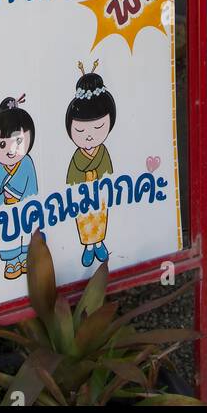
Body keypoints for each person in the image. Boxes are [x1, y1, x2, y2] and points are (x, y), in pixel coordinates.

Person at [65, 62, 115, 267]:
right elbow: (72, 177)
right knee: (84, 220)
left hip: (100, 191)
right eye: (80, 130)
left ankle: (100, 243)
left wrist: (102, 179)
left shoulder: (102, 151)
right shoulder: (77, 156)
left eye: (98, 127)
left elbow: (108, 170)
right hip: (82, 193)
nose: (88, 135)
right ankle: (88, 246)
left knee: (101, 218)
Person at [0, 96, 38, 282]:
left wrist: (31, 204)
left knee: (25, 233)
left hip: (24, 207)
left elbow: (32, 188)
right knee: (8, 236)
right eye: (1, 144)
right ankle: (11, 261)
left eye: (18, 142)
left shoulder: (27, 163)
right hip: (4, 211)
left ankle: (25, 258)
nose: (10, 150)